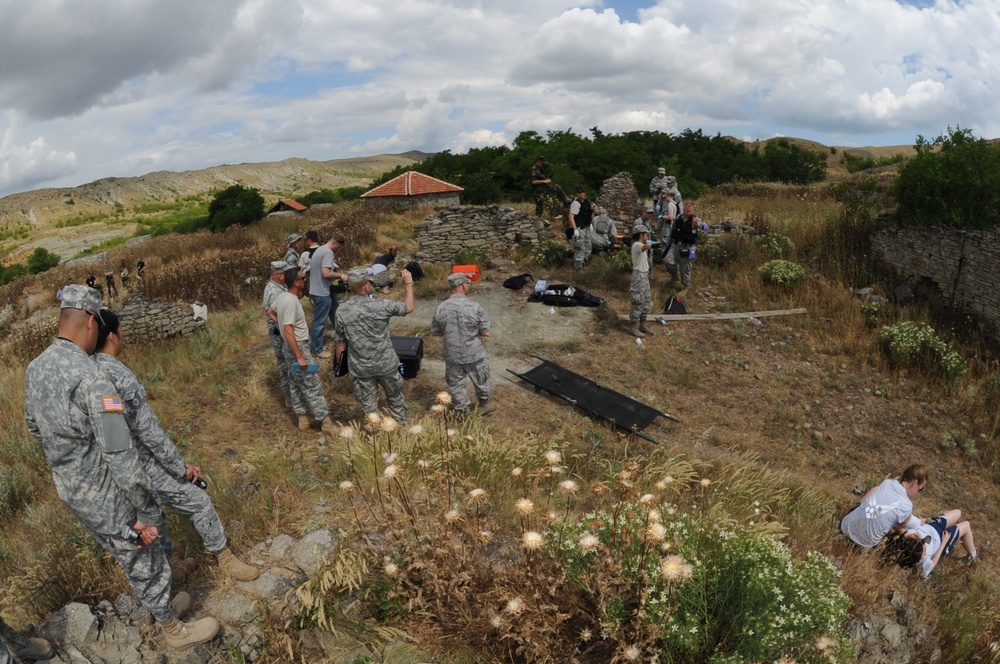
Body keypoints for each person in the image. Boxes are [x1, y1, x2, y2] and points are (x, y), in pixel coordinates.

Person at [24, 285, 218, 649]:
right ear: (92, 323)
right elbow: (121, 457)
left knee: (127, 554)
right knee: (143, 557)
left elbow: (35, 428)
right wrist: (145, 508)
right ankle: (172, 629)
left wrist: (71, 461)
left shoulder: (37, 367)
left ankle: (162, 608)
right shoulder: (92, 378)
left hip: (73, 491)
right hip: (110, 495)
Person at [94, 309, 259, 582]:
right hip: (141, 463)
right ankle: (224, 557)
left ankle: (174, 566)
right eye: (121, 330)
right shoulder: (117, 375)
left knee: (151, 515)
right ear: (113, 336)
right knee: (198, 501)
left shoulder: (89, 371)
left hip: (113, 469)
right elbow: (147, 431)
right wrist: (180, 467)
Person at [334, 268, 415, 423]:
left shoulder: (341, 310)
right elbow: (408, 307)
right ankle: (400, 427)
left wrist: (341, 366)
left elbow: (340, 343)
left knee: (369, 407)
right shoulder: (381, 305)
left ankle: (376, 435)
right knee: (395, 398)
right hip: (386, 364)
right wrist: (408, 283)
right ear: (366, 286)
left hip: (361, 367)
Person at [270, 267, 336, 435]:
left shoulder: (282, 296)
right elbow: (288, 330)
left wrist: (280, 322)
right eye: (302, 278)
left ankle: (303, 419)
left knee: (295, 384)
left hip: (288, 347)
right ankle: (326, 423)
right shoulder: (291, 301)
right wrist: (300, 355)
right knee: (311, 385)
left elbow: (270, 311)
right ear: (296, 283)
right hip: (297, 346)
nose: (305, 280)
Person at [431, 272, 494, 415]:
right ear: (463, 285)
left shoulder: (441, 307)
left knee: (456, 383)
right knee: (481, 379)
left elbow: (435, 331)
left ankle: (462, 410)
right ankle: (484, 405)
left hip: (452, 354)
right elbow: (486, 332)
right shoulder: (475, 307)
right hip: (474, 353)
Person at [840, 464, 928, 549]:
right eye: (920, 489)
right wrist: (922, 522)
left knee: (875, 490)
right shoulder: (907, 506)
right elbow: (912, 523)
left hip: (844, 527)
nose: (917, 493)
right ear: (915, 483)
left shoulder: (888, 483)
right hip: (862, 546)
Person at [902, 509, 978, 579]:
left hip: (931, 526)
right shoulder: (923, 562)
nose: (925, 547)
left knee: (958, 513)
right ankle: (973, 554)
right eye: (925, 550)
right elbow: (931, 565)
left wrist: (919, 522)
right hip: (940, 540)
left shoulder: (909, 536)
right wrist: (944, 543)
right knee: (966, 525)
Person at [309, 235, 349, 358]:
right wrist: (342, 276)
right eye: (339, 248)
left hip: (322, 290)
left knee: (336, 314)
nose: (338, 250)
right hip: (321, 292)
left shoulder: (319, 249)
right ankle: (317, 350)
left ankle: (344, 339)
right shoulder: (328, 252)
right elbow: (326, 273)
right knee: (319, 322)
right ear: (335, 243)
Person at [263, 260, 292, 408]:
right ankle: (288, 395)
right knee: (284, 362)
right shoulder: (273, 292)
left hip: (282, 330)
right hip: (278, 333)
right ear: (280, 275)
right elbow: (275, 315)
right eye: (285, 273)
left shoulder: (281, 286)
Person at [665, 202, 703, 289]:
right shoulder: (679, 217)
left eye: (690, 211)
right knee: (668, 261)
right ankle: (675, 275)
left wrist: (693, 251)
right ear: (684, 210)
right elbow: (672, 230)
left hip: (687, 246)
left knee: (685, 268)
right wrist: (668, 242)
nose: (688, 213)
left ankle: (686, 286)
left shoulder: (695, 220)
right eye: (686, 211)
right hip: (675, 245)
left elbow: (701, 227)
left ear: (692, 211)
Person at [629, 221, 655, 338]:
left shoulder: (640, 245)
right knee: (638, 301)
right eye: (646, 234)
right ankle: (633, 326)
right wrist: (656, 244)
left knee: (646, 301)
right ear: (641, 235)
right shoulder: (637, 245)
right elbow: (646, 247)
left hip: (644, 276)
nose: (647, 236)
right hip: (638, 277)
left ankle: (643, 324)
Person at [567, 186, 594, 271]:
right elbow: (571, 216)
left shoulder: (586, 203)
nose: (582, 193)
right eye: (580, 192)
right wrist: (575, 229)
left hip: (586, 228)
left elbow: (588, 215)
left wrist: (590, 225)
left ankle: (584, 263)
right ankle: (578, 268)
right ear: (577, 193)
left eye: (583, 192)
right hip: (579, 228)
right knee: (580, 248)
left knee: (588, 247)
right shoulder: (576, 203)